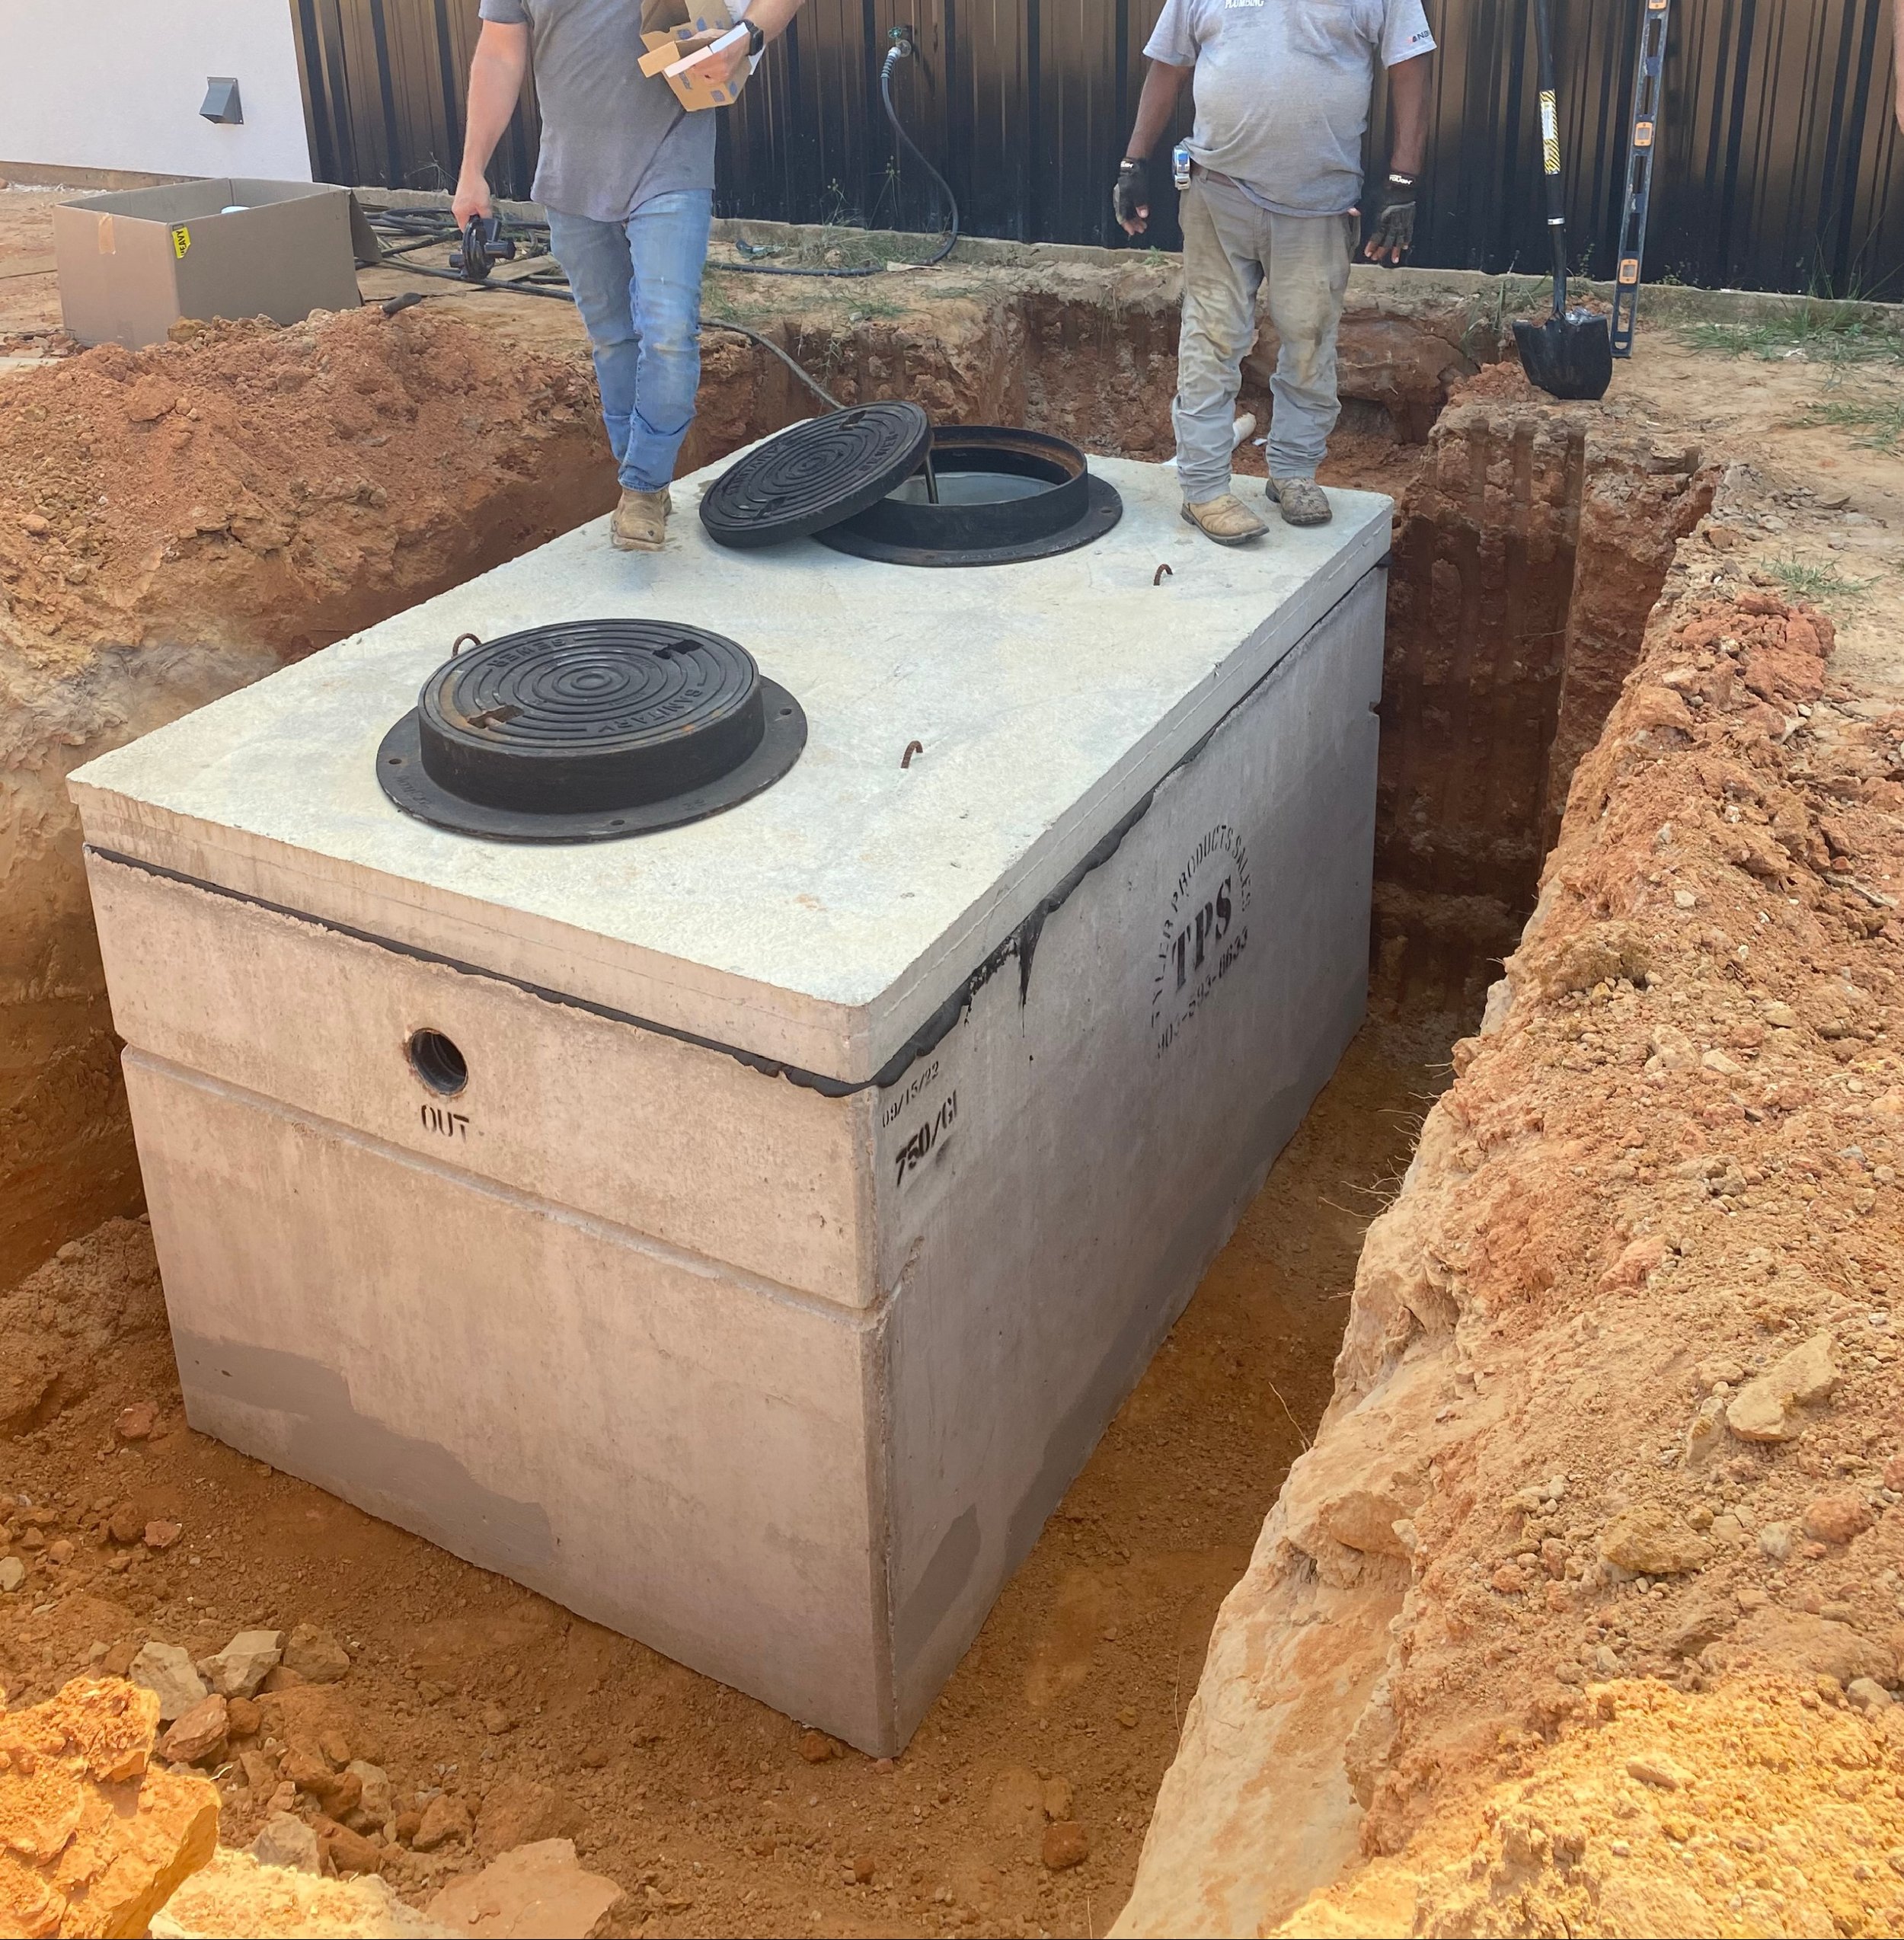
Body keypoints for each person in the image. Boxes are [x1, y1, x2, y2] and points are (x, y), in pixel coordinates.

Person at [453, 1, 808, 552]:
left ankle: (643, 487)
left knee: (667, 334)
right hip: (570, 173)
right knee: (613, 339)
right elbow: (499, 53)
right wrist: (472, 170)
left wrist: (747, 38)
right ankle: (640, 478)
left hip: (672, 159)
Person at [1116, 1, 1435, 547]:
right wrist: (1133, 162)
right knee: (1211, 339)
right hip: (1218, 192)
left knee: (1309, 341)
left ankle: (1291, 471)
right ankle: (1205, 488)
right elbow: (1168, 64)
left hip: (1318, 201)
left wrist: (1403, 179)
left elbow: (1410, 65)